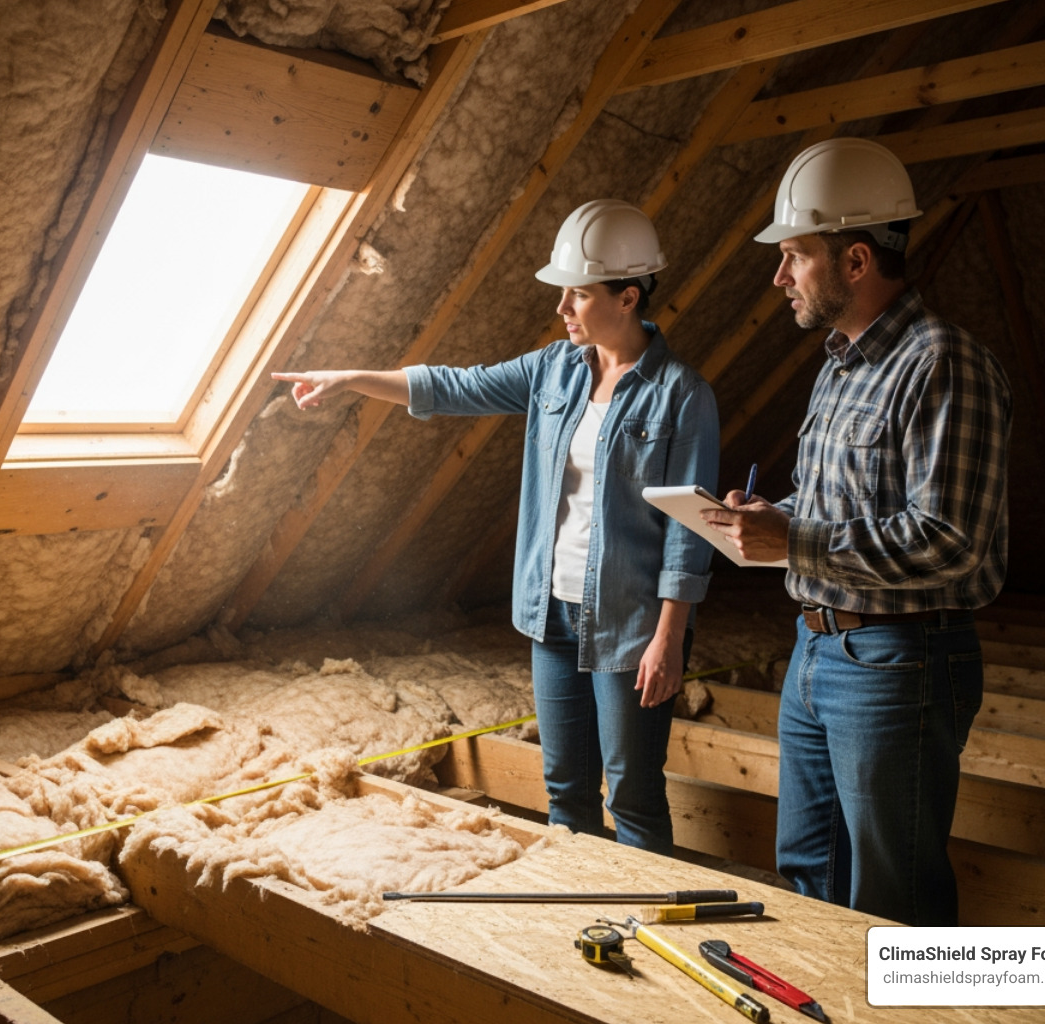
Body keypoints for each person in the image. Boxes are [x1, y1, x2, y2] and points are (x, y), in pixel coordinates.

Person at [273, 199, 719, 853]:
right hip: (553, 618)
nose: (563, 309)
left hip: (631, 626)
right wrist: (351, 380)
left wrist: (669, 639)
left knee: (632, 794)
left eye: (578, 294)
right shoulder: (554, 370)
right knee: (566, 789)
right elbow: (457, 386)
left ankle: (647, 924)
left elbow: (690, 531)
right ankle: (580, 932)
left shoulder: (682, 395)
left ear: (628, 297)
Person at [701, 139, 1013, 926]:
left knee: (892, 895)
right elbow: (832, 499)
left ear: (856, 261)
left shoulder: (942, 362)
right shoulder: (840, 363)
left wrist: (794, 539)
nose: (778, 277)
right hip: (814, 651)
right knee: (808, 875)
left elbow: (948, 538)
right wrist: (769, 515)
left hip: (896, 660)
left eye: (794, 256)